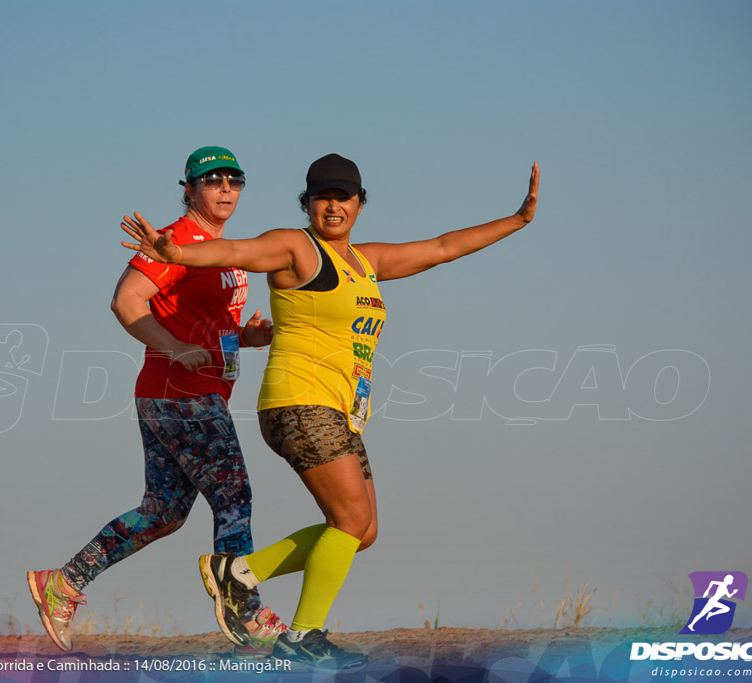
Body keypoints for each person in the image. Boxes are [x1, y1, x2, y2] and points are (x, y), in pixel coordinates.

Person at [121, 153, 540, 669]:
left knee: (362, 532)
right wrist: (177, 253)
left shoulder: (367, 262)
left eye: (344, 196)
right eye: (323, 197)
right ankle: (302, 635)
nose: (333, 205)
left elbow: (441, 248)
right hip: (299, 402)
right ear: (309, 203)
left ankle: (240, 573)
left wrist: (517, 220)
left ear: (360, 204)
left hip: (338, 410)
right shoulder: (296, 247)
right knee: (349, 517)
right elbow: (237, 249)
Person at [27, 146, 286, 656]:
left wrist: (246, 339)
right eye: (212, 181)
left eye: (234, 180)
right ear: (189, 189)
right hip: (179, 394)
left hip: (188, 391)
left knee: (164, 511)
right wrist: (173, 347)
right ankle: (245, 610)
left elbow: (204, 323)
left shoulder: (224, 250)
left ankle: (63, 582)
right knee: (233, 495)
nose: (225, 188)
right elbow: (126, 301)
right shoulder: (176, 241)